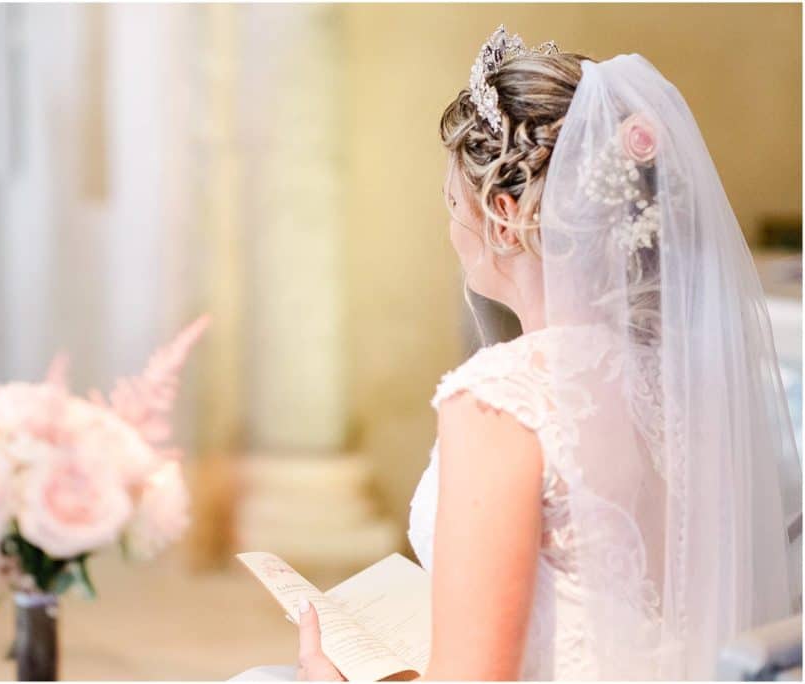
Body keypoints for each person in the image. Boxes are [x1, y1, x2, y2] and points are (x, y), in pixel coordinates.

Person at [233, 25, 801, 681]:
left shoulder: (505, 401)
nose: (450, 229)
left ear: (504, 214)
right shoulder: (689, 380)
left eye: (453, 204)